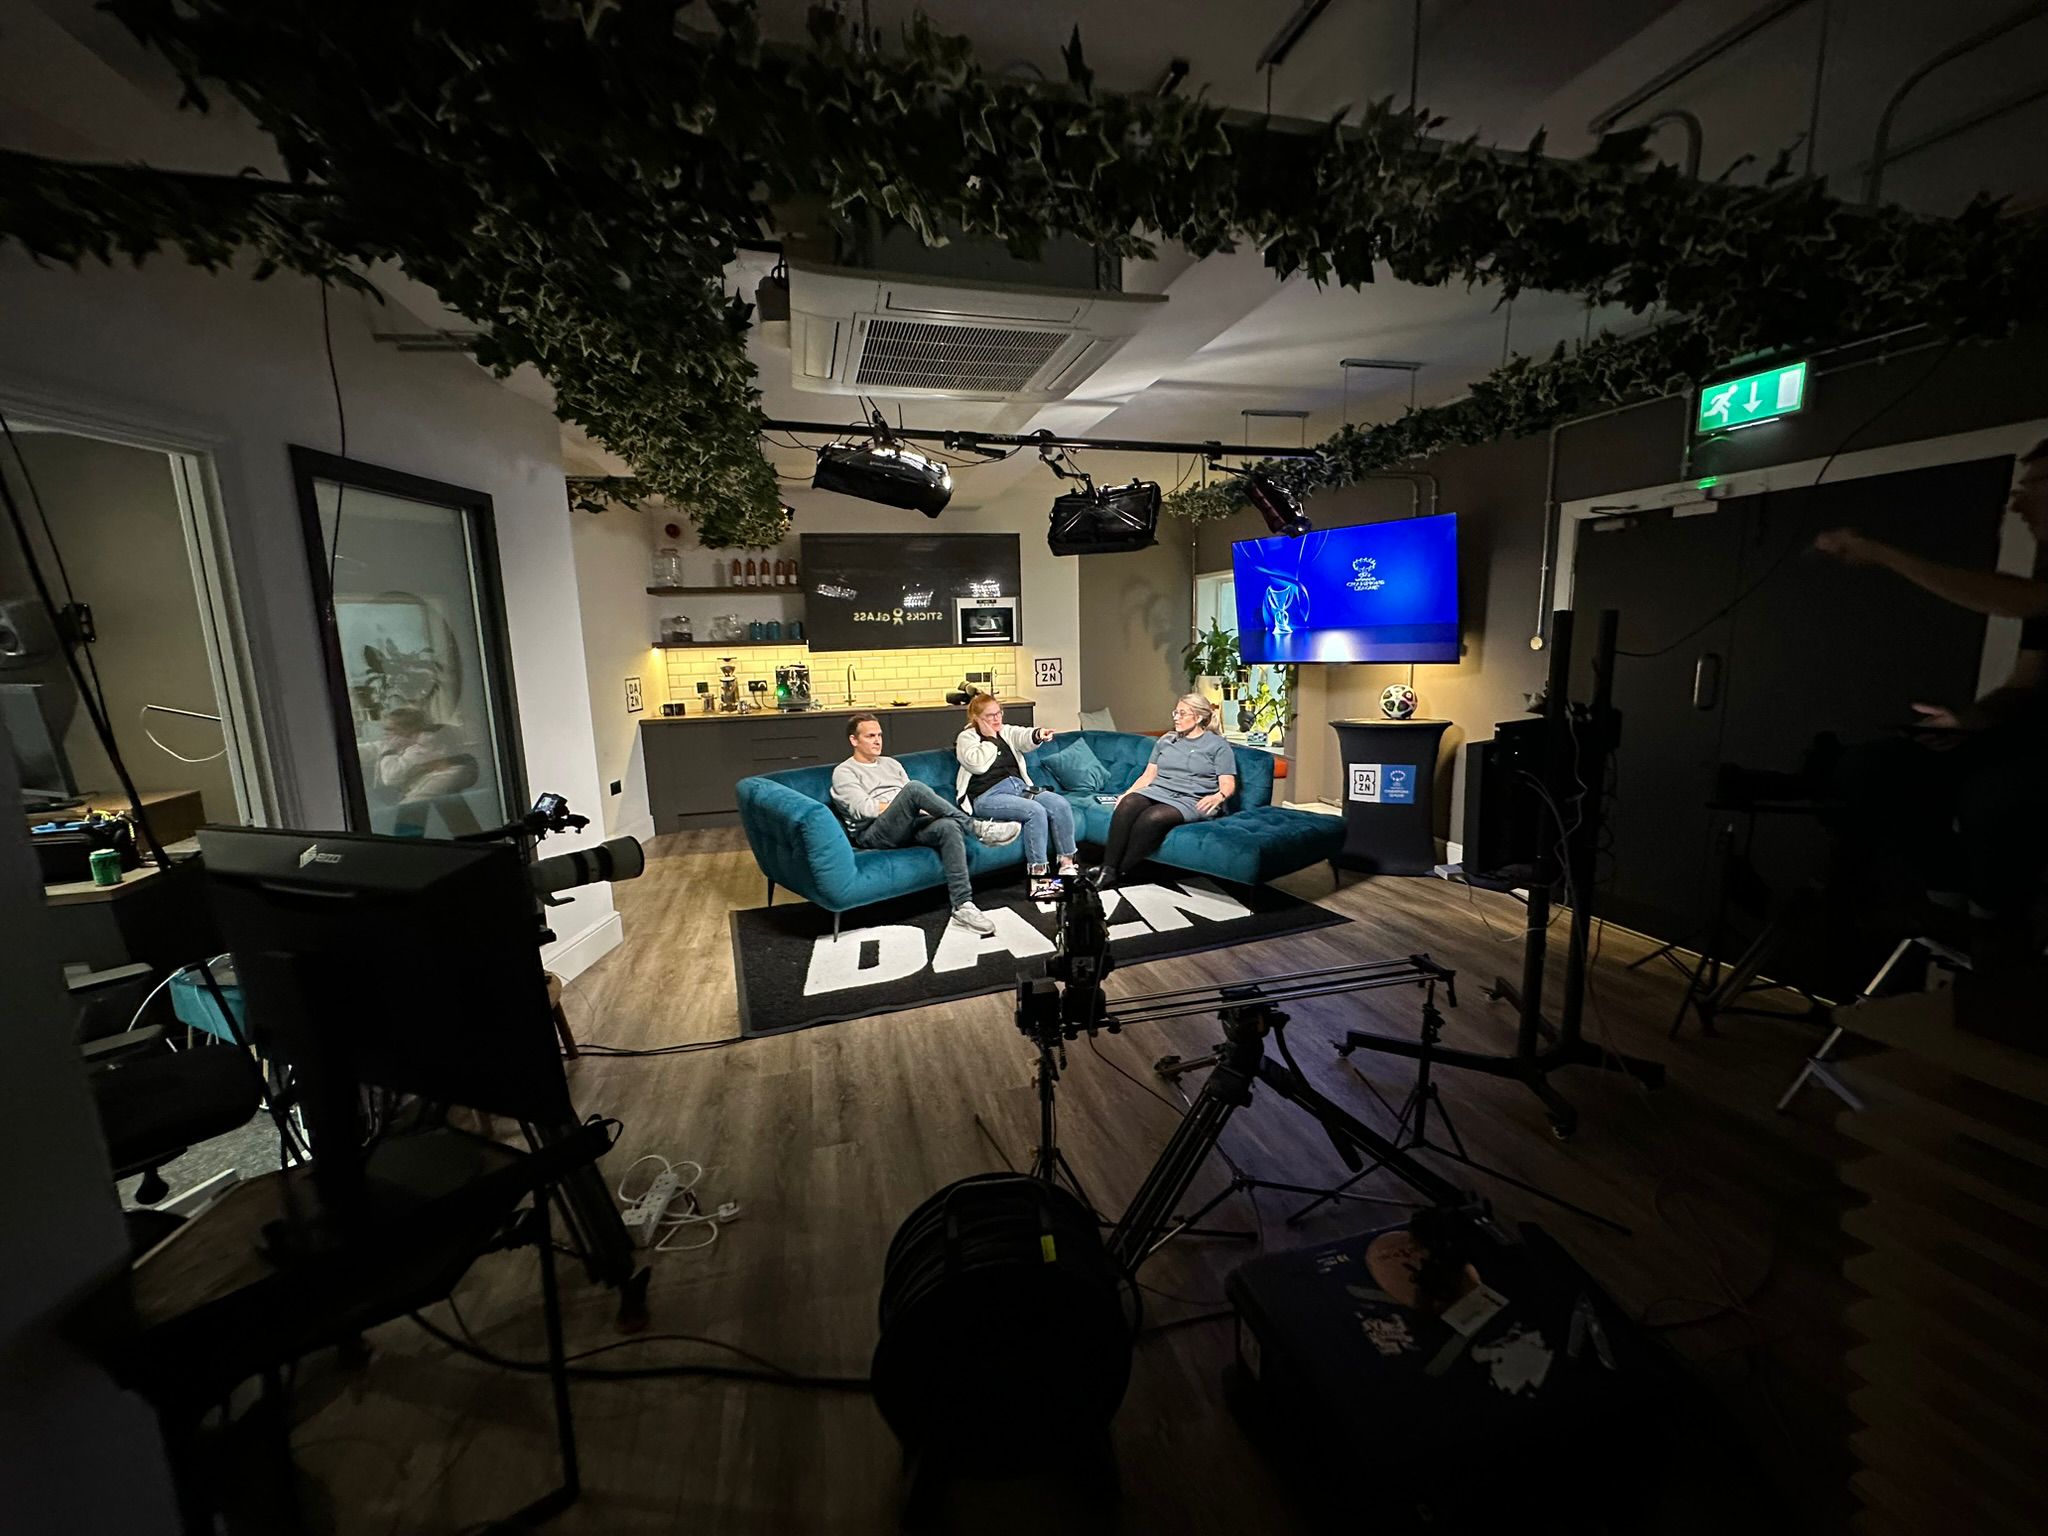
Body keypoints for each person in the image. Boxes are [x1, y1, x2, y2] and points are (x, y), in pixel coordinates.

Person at [1813, 439, 2048, 927]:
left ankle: (1994, 928)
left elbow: (2025, 601)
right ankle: (1947, 903)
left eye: (2037, 485)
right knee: (1871, 767)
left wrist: (1879, 553)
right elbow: (2028, 681)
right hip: (2023, 737)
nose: (2018, 501)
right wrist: (1971, 721)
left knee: (1996, 797)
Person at [831, 713, 1015, 936]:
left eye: (879, 735)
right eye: (870, 736)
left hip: (907, 824)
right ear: (854, 740)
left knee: (948, 826)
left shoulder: (891, 764)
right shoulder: (844, 772)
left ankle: (962, 906)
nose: (878, 740)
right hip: (874, 832)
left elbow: (914, 803)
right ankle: (977, 828)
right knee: (914, 789)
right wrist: (903, 804)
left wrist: (922, 809)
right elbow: (865, 809)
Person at [1096, 693, 1239, 888]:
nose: (1176, 718)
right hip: (1159, 790)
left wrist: (1219, 796)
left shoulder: (1217, 745)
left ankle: (1117, 871)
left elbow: (1228, 782)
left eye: (1182, 713)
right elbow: (1148, 776)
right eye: (1175, 713)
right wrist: (1127, 793)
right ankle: (1108, 868)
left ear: (1198, 717)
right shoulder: (1166, 740)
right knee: (1129, 803)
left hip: (1192, 798)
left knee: (1154, 817)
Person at [953, 693, 1076, 900]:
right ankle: (1039, 876)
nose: (996, 719)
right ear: (976, 717)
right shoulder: (967, 738)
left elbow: (1023, 736)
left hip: (1018, 788)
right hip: (987, 796)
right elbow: (978, 765)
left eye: (999, 713)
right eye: (990, 716)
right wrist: (990, 738)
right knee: (1034, 811)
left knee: (1059, 804)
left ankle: (1067, 863)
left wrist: (1038, 734)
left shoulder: (1006, 732)